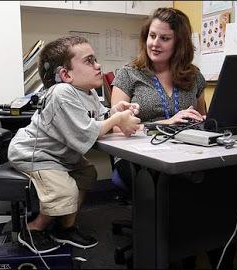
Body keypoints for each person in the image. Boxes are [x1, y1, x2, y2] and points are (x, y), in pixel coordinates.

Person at [111, 7, 236, 269]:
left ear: (178, 43)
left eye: (164, 38)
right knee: (182, 188)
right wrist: (165, 123)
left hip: (186, 151)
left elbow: (204, 119)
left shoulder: (194, 76)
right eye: (152, 36)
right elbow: (116, 128)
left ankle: (218, 255)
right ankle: (175, 254)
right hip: (137, 156)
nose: (155, 44)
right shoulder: (128, 74)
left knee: (224, 183)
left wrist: (203, 122)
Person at [8, 35, 141, 254]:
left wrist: (115, 111)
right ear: (65, 74)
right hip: (35, 154)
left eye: (95, 59)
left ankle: (65, 228)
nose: (98, 65)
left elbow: (97, 119)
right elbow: (85, 134)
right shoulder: (61, 93)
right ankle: (33, 229)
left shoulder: (87, 93)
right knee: (65, 190)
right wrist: (117, 120)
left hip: (60, 156)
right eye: (89, 61)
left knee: (87, 174)